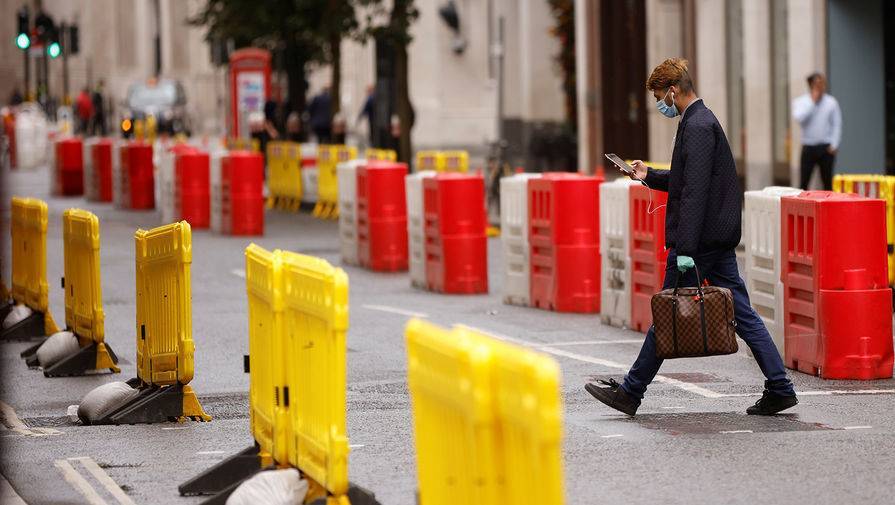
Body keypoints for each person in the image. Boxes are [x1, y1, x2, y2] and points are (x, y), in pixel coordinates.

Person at [585, 57, 798, 416]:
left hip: (698, 244)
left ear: (672, 91)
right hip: (713, 239)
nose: (659, 106)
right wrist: (648, 174)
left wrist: (684, 249)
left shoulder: (698, 126)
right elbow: (686, 179)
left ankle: (631, 392)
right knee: (743, 315)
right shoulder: (699, 120)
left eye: (659, 98)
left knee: (667, 313)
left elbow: (695, 192)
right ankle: (780, 386)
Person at [792, 72, 841, 190]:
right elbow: (799, 118)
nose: (820, 87)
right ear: (810, 85)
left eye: (822, 83)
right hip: (808, 146)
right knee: (804, 182)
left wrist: (834, 144)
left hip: (826, 148)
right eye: (817, 84)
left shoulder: (831, 102)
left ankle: (829, 207)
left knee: (827, 182)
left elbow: (837, 124)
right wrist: (812, 102)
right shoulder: (801, 102)